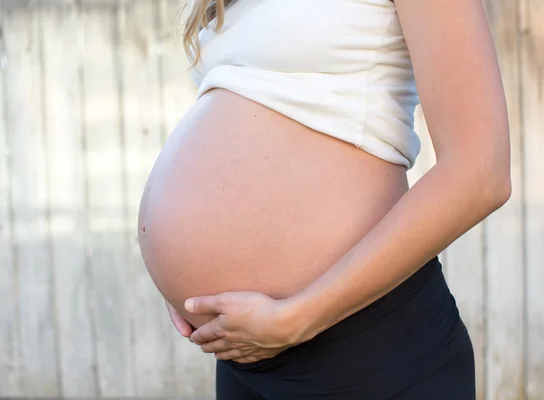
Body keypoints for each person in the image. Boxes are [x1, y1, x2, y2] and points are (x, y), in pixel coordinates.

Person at [137, 0, 511, 398]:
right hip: (247, 359)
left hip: (361, 352)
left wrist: (295, 318)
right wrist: (191, 274)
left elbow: (480, 172)